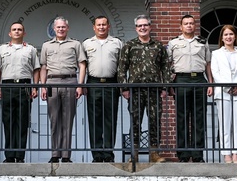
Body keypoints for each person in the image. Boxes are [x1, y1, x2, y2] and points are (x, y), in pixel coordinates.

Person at [116, 15, 169, 164]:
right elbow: (121, 69)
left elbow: (165, 68)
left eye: (145, 25)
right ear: (136, 28)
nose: (143, 28)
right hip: (135, 90)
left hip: (154, 90)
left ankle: (154, 154)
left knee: (155, 121)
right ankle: (134, 155)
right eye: (139, 26)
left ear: (150, 27)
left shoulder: (158, 46)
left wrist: (165, 87)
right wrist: (124, 88)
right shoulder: (129, 46)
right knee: (135, 122)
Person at [39, 16, 87, 163]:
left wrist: (80, 85)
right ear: (54, 29)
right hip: (52, 82)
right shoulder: (46, 45)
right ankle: (55, 153)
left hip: (70, 81)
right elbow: (43, 67)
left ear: (67, 28)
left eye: (63, 27)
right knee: (54, 119)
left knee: (68, 120)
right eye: (58, 27)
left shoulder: (75, 44)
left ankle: (66, 155)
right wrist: (43, 86)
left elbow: (82, 65)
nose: (60, 29)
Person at [168, 14, 212, 163]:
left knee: (199, 118)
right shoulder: (173, 43)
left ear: (195, 26)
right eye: (186, 23)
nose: (189, 26)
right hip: (181, 79)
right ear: (181, 27)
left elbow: (207, 64)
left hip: (199, 79)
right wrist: (170, 84)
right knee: (182, 118)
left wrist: (210, 83)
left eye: (191, 23)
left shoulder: (202, 42)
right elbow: (167, 64)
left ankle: (198, 153)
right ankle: (184, 154)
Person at [0, 21, 40, 163]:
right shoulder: (2, 49)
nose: (17, 31)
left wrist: (35, 87)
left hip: (24, 85)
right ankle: (9, 155)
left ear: (24, 33)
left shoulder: (30, 49)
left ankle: (19, 155)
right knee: (8, 121)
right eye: (14, 29)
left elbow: (36, 69)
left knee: (22, 121)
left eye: (20, 29)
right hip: (7, 85)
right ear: (10, 33)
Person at [82, 15, 123, 163]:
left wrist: (121, 85)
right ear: (94, 27)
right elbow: (83, 66)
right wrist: (84, 85)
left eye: (104, 25)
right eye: (98, 25)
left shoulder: (117, 43)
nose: (101, 27)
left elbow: (121, 66)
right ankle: (97, 154)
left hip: (112, 83)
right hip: (93, 83)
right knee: (94, 120)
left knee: (110, 120)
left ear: (108, 26)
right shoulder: (87, 43)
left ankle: (108, 153)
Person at [210, 24, 237, 163]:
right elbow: (215, 72)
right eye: (226, 34)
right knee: (225, 124)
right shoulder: (216, 53)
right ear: (222, 37)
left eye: (231, 34)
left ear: (235, 37)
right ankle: (226, 153)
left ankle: (236, 153)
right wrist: (227, 87)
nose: (228, 37)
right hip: (223, 92)